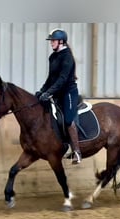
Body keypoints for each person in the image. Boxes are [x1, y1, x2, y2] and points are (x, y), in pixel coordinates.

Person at [35, 28, 82, 164]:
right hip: (56, 92)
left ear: (61, 41)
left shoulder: (67, 57)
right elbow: (51, 78)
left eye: (53, 41)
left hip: (68, 92)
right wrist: (42, 91)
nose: (51, 43)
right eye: (51, 41)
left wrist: (48, 93)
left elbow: (62, 79)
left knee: (68, 120)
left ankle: (76, 151)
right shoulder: (53, 57)